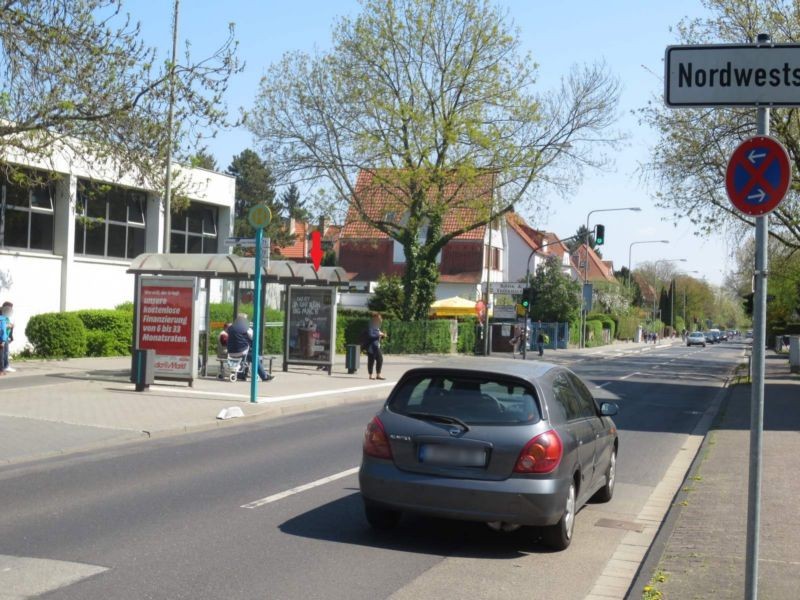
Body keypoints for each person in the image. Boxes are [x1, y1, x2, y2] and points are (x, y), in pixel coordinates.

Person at [226, 314, 274, 382]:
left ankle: (241, 375)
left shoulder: (230, 328)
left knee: (246, 357)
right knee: (254, 357)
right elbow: (253, 338)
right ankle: (264, 376)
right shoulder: (246, 329)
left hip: (231, 352)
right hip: (241, 351)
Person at [365, 312, 386, 380]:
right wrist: (379, 334)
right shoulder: (371, 326)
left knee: (380, 360)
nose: (380, 319)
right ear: (375, 319)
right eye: (379, 318)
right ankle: (370, 375)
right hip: (371, 347)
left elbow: (377, 336)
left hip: (376, 346)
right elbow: (370, 335)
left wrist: (382, 336)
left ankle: (378, 375)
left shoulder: (376, 327)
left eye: (380, 318)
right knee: (371, 361)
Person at [1, 302, 14, 372]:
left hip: (5, 336)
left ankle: (6, 366)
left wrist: (10, 325)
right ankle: (3, 367)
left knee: (5, 352)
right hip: (2, 337)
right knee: (3, 353)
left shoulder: (6, 316)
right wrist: (8, 326)